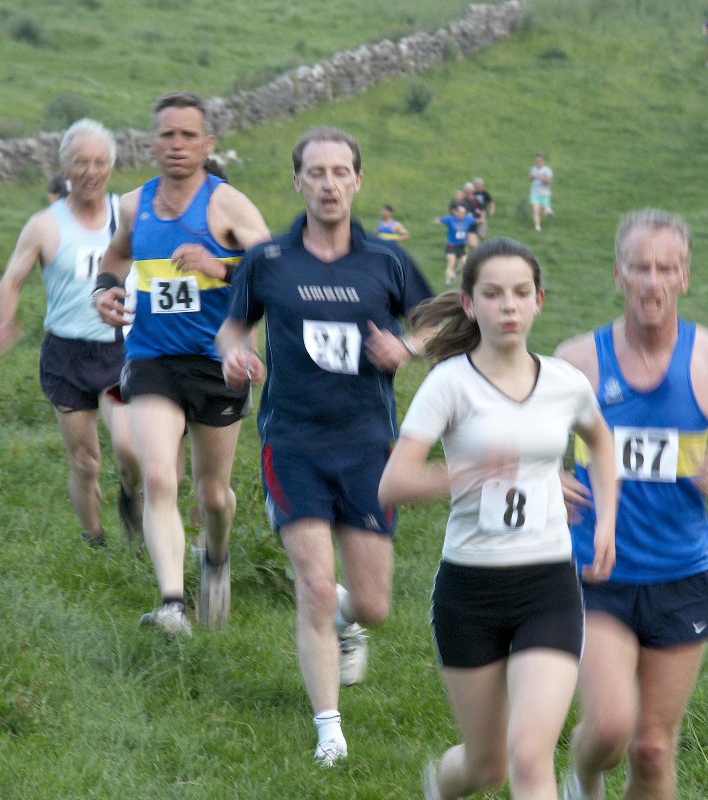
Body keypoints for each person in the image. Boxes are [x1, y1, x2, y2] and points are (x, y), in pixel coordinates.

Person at [217, 126, 435, 766]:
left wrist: (407, 347)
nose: (329, 184)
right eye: (316, 172)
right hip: (292, 442)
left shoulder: (388, 262)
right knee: (313, 587)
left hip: (367, 447)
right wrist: (235, 355)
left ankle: (348, 620)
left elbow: (442, 320)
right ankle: (329, 733)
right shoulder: (269, 260)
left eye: (341, 172)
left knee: (373, 604)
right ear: (298, 182)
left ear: (358, 181)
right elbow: (233, 326)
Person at [378, 238, 618, 800]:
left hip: (548, 586)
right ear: (469, 304)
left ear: (538, 301)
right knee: (486, 768)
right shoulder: (449, 384)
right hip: (470, 591)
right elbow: (393, 485)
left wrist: (606, 522)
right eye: (492, 294)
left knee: (530, 757)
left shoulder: (564, 382)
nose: (508, 305)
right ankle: (442, 788)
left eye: (520, 292)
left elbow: (601, 442)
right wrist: (464, 472)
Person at [556, 209, 708, 800]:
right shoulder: (577, 360)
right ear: (618, 274)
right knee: (611, 728)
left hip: (680, 573)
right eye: (640, 267)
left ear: (685, 277)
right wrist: (548, 479)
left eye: (666, 269)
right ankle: (584, 775)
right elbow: (532, 445)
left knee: (653, 748)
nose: (653, 281)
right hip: (598, 569)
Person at [91, 92, 271, 636]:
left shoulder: (229, 205)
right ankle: (172, 605)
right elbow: (116, 254)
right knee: (158, 476)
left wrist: (218, 267)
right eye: (167, 134)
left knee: (212, 495)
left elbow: (275, 273)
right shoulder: (133, 205)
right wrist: (105, 291)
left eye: (188, 135)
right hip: (152, 358)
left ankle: (215, 555)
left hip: (218, 364)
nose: (177, 144)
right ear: (152, 142)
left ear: (207, 143)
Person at [0, 119, 143, 550]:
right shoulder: (44, 225)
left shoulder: (128, 215)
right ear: (65, 167)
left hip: (120, 352)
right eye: (80, 162)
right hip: (67, 354)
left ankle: (132, 495)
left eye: (99, 162)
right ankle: (95, 542)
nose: (90, 172)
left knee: (130, 450)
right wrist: (4, 323)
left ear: (111, 167)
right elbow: (11, 282)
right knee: (86, 461)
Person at [435, 203, 476, 286]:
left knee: (465, 263)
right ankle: (449, 280)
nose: (463, 214)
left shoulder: (468, 219)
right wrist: (437, 221)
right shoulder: (450, 219)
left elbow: (476, 221)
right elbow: (439, 220)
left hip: (462, 246)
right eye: (461, 212)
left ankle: (464, 281)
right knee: (451, 263)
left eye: (464, 213)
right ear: (456, 213)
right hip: (452, 246)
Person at [528, 154, 554, 232]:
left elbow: (550, 182)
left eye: (539, 161)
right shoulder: (533, 168)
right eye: (536, 161)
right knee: (536, 210)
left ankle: (549, 211)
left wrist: (541, 178)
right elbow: (530, 178)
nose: (537, 162)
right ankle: (537, 227)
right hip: (535, 193)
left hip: (545, 194)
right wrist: (532, 177)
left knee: (545, 213)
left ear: (543, 161)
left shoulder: (547, 170)